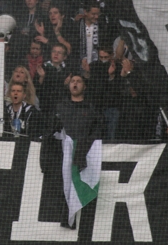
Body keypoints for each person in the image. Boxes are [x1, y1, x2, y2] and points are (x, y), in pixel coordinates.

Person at [40, 74, 102, 228]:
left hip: (83, 155)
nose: (75, 84)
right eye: (73, 81)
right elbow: (51, 130)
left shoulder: (91, 108)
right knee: (65, 186)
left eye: (79, 81)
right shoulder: (60, 107)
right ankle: (66, 217)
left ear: (84, 86)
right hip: (63, 158)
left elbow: (98, 131)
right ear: (68, 85)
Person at [35, 43, 75, 114]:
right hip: (45, 107)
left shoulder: (68, 71)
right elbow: (35, 89)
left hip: (63, 108)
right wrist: (42, 77)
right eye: (54, 51)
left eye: (59, 52)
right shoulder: (43, 68)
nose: (56, 54)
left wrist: (67, 85)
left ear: (64, 57)